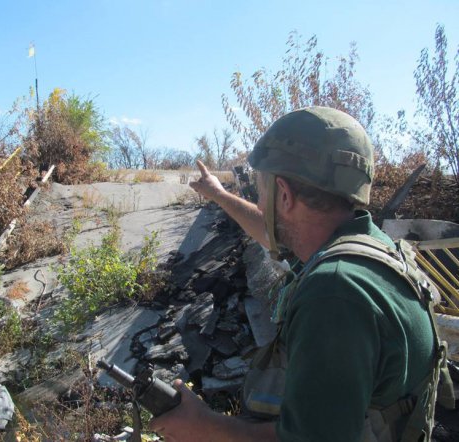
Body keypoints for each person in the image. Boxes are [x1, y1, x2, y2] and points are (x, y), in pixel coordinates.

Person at [149, 107, 452, 441]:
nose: (260, 203)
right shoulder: (370, 249)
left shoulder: (335, 292)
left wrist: (203, 427)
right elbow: (270, 233)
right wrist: (219, 194)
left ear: (284, 194)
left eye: (261, 191)